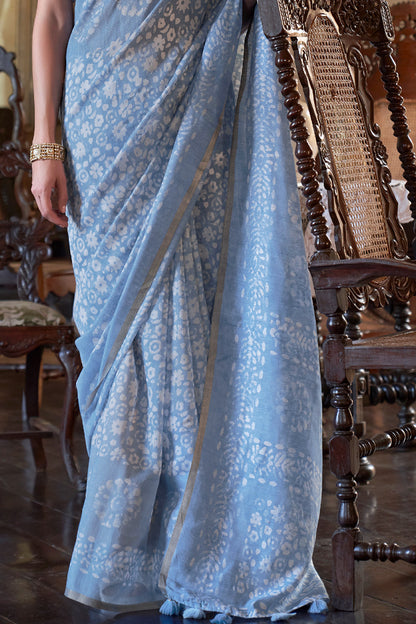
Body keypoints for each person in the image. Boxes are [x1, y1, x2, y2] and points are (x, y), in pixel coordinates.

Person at [31, 0, 328, 621]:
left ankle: (199, 542)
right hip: (103, 118)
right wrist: (44, 142)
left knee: (198, 310)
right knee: (115, 331)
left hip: (198, 95)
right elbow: (53, 15)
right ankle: (135, 546)